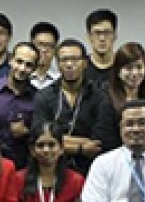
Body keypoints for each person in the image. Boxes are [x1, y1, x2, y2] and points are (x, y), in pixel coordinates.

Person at [32, 39, 110, 175]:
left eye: (75, 59)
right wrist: (81, 147)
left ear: (85, 63)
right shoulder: (43, 96)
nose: (69, 64)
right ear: (58, 64)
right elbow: (40, 138)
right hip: (51, 170)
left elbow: (97, 143)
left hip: (90, 171)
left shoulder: (100, 97)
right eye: (64, 60)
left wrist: (57, 140)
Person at [0, 42, 40, 169]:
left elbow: (42, 135)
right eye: (19, 61)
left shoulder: (38, 98)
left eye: (29, 65)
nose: (22, 68)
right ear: (11, 60)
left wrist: (27, 132)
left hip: (23, 167)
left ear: (34, 69)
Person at [97, 42, 145, 151]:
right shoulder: (106, 101)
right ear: (118, 71)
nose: (134, 73)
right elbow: (104, 140)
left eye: (139, 67)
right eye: (128, 68)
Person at [83, 9, 118, 86]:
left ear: (115, 36)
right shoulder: (81, 67)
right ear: (89, 37)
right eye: (97, 33)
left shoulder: (123, 66)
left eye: (107, 32)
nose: (102, 38)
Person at [29, 22, 60, 90]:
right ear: (31, 45)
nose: (43, 50)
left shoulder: (61, 79)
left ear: (55, 49)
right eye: (40, 44)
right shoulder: (21, 75)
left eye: (49, 45)